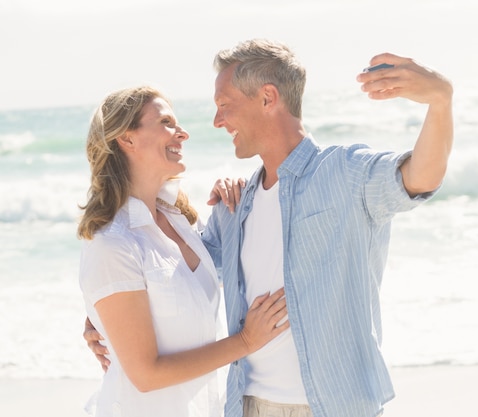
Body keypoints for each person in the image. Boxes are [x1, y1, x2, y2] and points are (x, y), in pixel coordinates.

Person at [86, 38, 453, 417]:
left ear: (267, 97)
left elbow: (421, 177)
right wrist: (102, 316)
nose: (217, 121)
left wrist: (440, 100)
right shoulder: (232, 209)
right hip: (246, 407)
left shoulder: (345, 173)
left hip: (332, 407)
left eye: (224, 106)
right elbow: (175, 278)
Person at [77, 85, 289, 417]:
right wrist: (247, 342)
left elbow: (217, 270)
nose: (183, 133)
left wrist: (230, 197)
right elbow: (146, 375)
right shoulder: (112, 243)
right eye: (166, 122)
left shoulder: (177, 220)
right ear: (127, 139)